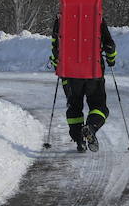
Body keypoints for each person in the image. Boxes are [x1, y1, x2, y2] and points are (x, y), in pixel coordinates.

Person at [49, 16, 117, 152]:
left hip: (69, 73)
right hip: (94, 72)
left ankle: (79, 140)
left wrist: (57, 62)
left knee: (74, 107)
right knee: (99, 107)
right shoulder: (97, 18)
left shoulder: (61, 20)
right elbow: (109, 45)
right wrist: (111, 60)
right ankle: (91, 127)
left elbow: (55, 45)